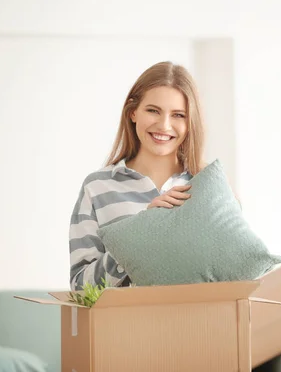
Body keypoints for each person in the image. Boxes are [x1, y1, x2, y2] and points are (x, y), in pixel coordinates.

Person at [69, 61, 208, 291]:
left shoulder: (206, 186)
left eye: (178, 115)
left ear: (190, 122)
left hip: (196, 325)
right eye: (153, 110)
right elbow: (81, 290)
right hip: (126, 327)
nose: (164, 125)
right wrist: (138, 236)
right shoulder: (97, 188)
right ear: (133, 112)